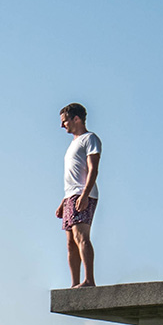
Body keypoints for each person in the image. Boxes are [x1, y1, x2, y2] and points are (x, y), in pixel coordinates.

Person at [56, 103, 101, 287]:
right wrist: (64, 201)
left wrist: (84, 194)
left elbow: (93, 169)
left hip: (83, 194)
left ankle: (89, 280)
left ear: (76, 119)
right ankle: (74, 284)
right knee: (70, 243)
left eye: (65, 121)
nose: (62, 125)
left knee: (81, 236)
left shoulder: (90, 139)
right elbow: (73, 175)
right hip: (71, 196)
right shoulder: (72, 144)